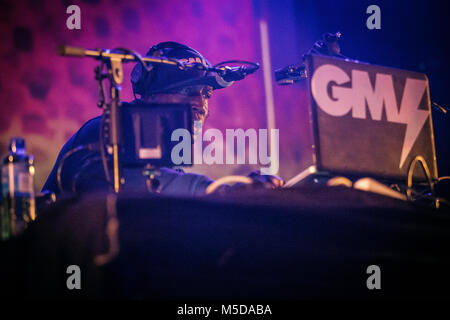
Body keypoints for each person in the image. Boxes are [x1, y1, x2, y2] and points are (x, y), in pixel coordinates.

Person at [42, 41, 281, 197]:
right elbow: (136, 186)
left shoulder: (165, 151)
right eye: (187, 92)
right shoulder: (112, 126)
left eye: (206, 94)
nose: (201, 105)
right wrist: (225, 192)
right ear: (150, 97)